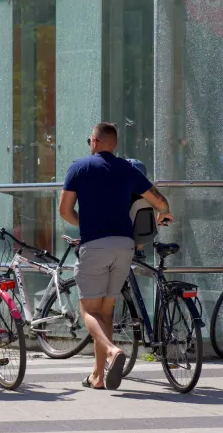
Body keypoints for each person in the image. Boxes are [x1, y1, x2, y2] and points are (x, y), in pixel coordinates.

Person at [58, 123, 172, 391]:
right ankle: (98, 375)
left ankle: (112, 351)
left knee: (88, 310)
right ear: (114, 144)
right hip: (124, 246)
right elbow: (161, 201)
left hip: (95, 245)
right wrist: (162, 213)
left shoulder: (79, 168)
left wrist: (84, 224)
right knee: (106, 312)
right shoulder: (128, 169)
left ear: (94, 142)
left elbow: (64, 210)